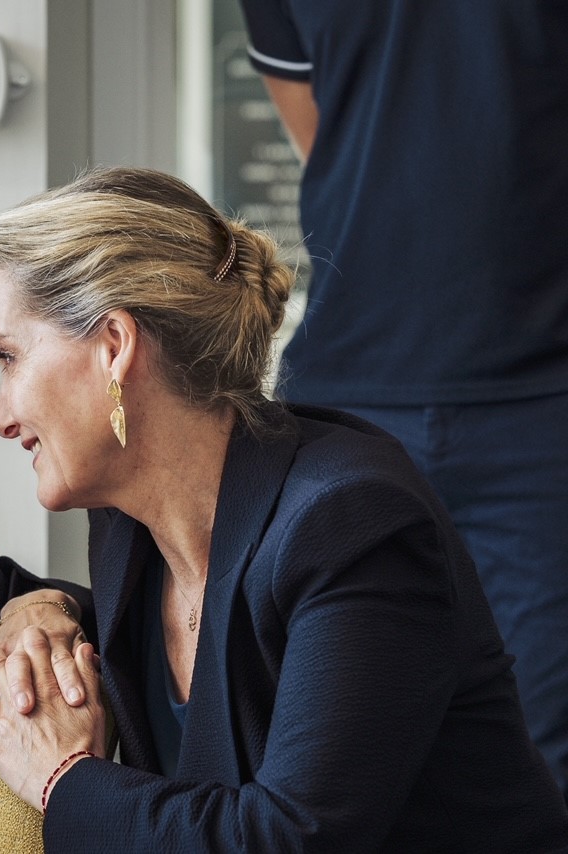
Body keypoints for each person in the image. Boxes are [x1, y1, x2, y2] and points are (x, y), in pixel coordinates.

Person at [0, 167, 568, 851]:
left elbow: (288, 840)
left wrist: (60, 777)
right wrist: (40, 608)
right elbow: (204, 636)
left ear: (115, 348)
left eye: (9, 357)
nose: (3, 417)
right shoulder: (130, 524)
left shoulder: (352, 523)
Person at [235, 1, 568, 799]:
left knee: (544, 755)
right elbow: (330, 138)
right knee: (322, 746)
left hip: (544, 401)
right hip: (347, 395)